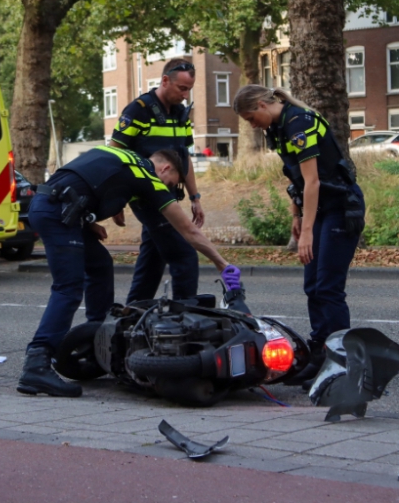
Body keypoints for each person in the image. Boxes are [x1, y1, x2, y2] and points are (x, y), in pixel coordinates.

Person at [17, 145, 241, 398]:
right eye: (170, 183)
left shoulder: (121, 157)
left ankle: (97, 338)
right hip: (58, 214)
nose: (167, 188)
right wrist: (222, 264)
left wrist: (89, 223)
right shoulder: (146, 176)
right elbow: (189, 231)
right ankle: (37, 362)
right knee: (68, 288)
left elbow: (79, 180)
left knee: (100, 264)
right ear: (164, 168)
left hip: (51, 205)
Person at [233, 85, 365, 385]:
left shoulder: (298, 124)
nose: (253, 125)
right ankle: (319, 354)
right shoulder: (278, 129)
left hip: (340, 208)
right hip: (317, 209)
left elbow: (314, 181)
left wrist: (306, 233)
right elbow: (295, 177)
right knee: (313, 286)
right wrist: (296, 214)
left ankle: (341, 363)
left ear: (263, 105)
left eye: (252, 118)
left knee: (328, 288)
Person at [110, 59, 204, 303]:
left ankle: (133, 314)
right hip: (145, 196)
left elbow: (185, 159)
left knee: (153, 259)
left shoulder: (182, 115)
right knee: (184, 255)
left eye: (189, 90)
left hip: (169, 196)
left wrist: (195, 198)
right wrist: (115, 200)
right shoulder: (138, 110)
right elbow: (114, 155)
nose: (185, 95)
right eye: (181, 89)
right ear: (164, 81)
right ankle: (186, 317)